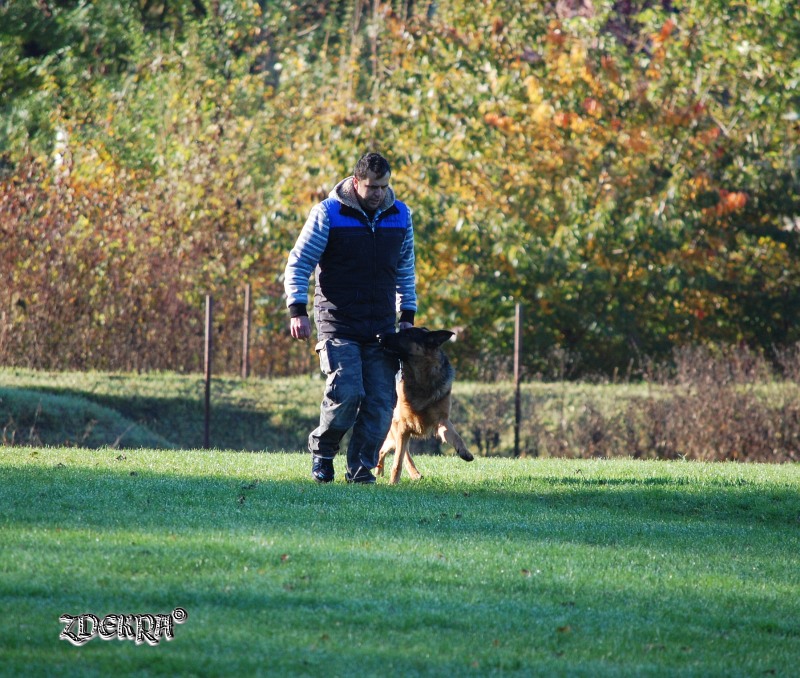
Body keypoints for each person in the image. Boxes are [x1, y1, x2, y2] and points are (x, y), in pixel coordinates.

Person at [284, 152, 417, 483]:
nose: (378, 194)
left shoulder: (401, 215)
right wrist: (297, 309)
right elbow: (299, 262)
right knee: (347, 391)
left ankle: (360, 470)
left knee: (381, 402)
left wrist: (407, 315)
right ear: (356, 182)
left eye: (384, 187)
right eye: (372, 187)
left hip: (382, 327)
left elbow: (405, 269)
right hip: (337, 322)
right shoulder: (329, 213)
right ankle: (324, 452)